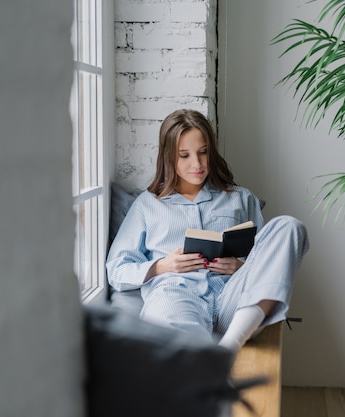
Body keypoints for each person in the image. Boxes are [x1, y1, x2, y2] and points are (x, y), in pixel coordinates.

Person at [106, 109, 309, 352]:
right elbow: (116, 270)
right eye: (185, 155)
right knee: (165, 315)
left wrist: (241, 267)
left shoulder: (241, 198)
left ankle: (230, 344)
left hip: (235, 301)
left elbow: (268, 259)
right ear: (169, 157)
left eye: (203, 153)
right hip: (176, 295)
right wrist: (162, 266)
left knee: (290, 226)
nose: (198, 164)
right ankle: (209, 359)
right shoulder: (147, 205)